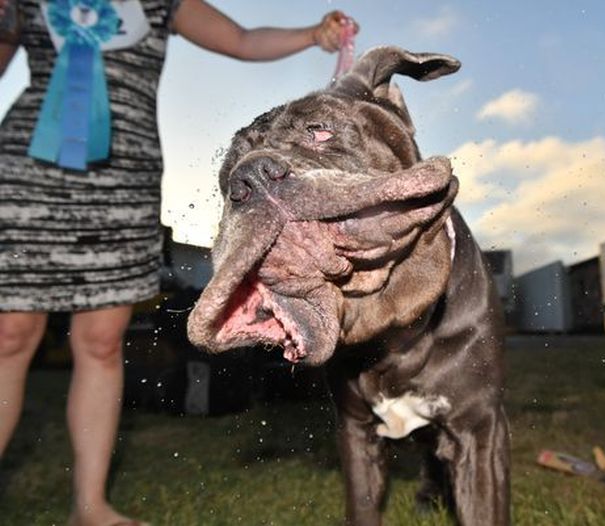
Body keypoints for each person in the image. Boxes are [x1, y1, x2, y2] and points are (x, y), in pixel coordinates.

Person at [0, 1, 357, 525]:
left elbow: (241, 40)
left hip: (124, 177)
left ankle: (90, 508)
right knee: (9, 336)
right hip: (30, 168)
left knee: (100, 341)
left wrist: (313, 34)